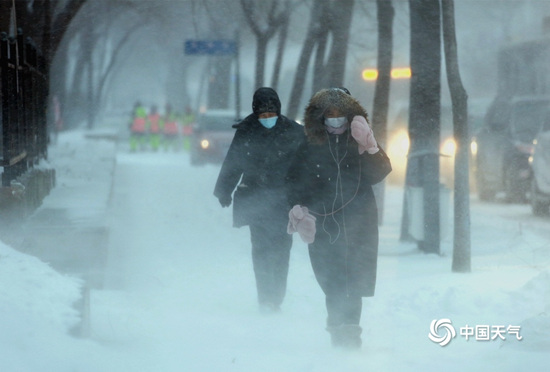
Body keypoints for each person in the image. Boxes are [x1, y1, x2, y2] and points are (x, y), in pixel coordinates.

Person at [285, 88, 392, 348]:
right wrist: (297, 207)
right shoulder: (309, 143)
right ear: (321, 116)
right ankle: (336, 323)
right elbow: (294, 180)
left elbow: (380, 172)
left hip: (359, 221)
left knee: (353, 278)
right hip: (323, 222)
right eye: (329, 113)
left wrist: (369, 146)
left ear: (349, 113)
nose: (335, 118)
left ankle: (350, 330)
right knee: (331, 279)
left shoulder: (359, 139)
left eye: (340, 113)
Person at [214, 87, 305, 313]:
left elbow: (306, 167)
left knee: (282, 250)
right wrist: (224, 191)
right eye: (263, 115)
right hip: (256, 201)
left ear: (279, 111)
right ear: (255, 112)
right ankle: (266, 298)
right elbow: (233, 162)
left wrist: (310, 194)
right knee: (261, 250)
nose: (267, 119)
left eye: (271, 114)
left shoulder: (294, 132)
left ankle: (277, 296)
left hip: (286, 202)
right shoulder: (247, 131)